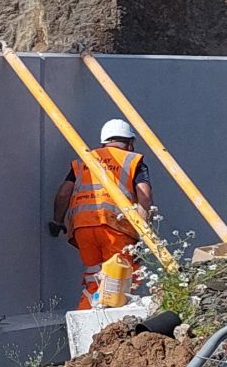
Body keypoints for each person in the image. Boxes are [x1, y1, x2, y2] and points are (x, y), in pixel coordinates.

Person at [51, 117, 155, 308]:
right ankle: (112, 328)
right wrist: (143, 230)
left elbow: (64, 193)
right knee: (120, 278)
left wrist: (57, 222)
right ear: (130, 143)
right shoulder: (133, 160)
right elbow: (145, 197)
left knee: (94, 277)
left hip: (82, 228)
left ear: (104, 142)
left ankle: (86, 318)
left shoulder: (85, 161)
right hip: (115, 228)